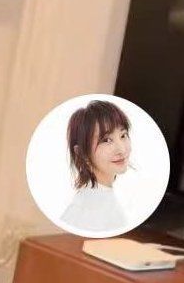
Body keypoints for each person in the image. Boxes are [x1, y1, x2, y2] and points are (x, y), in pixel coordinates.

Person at [59, 100, 152, 235]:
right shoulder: (90, 210)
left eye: (123, 135)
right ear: (82, 153)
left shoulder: (99, 198)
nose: (121, 149)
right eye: (106, 140)